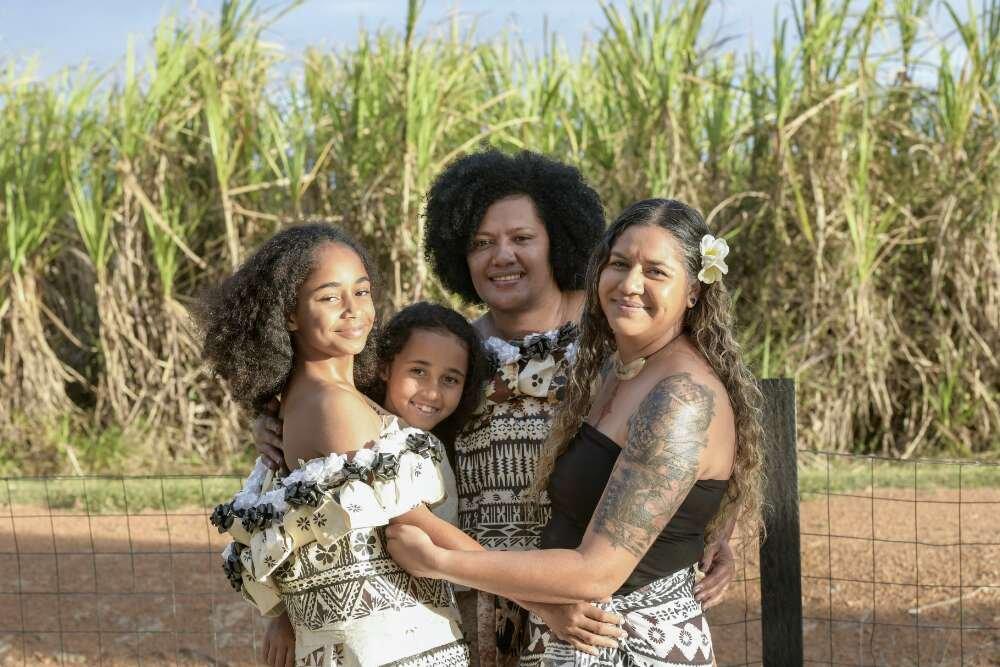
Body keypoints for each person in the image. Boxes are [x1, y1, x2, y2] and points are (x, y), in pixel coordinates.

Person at [254, 151, 738, 663]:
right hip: (467, 601)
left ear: (559, 240)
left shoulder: (615, 343)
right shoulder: (444, 354)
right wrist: (286, 606)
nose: (501, 256)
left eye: (521, 239)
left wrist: (718, 531)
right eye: (481, 243)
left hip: (582, 609)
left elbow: (712, 445)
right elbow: (346, 467)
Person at [385, 199, 765, 666]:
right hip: (573, 639)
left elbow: (597, 572)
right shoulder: (611, 369)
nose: (630, 284)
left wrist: (436, 561)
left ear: (693, 291)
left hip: (626, 644)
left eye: (656, 272)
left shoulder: (681, 398)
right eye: (619, 264)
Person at [198, 224, 479, 667]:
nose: (354, 310)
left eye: (362, 291)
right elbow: (419, 527)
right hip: (393, 649)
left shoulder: (307, 400)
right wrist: (545, 598)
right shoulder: (332, 406)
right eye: (330, 297)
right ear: (289, 315)